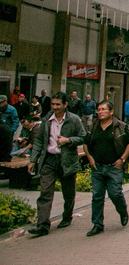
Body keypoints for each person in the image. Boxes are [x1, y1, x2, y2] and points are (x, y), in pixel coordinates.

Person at [27, 92, 87, 237]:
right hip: (49, 160)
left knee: (68, 193)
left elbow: (83, 137)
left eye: (58, 104)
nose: (55, 107)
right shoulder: (47, 119)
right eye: (53, 104)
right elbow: (40, 140)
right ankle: (42, 225)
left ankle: (67, 216)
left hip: (67, 160)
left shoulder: (74, 119)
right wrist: (33, 160)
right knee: (45, 192)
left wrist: (68, 140)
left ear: (65, 105)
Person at [83, 100, 129, 236]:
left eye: (103, 109)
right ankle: (97, 224)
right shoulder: (93, 126)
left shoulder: (121, 126)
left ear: (111, 112)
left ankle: (123, 211)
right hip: (97, 167)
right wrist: (90, 158)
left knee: (115, 193)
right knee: (97, 197)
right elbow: (85, 144)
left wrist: (122, 159)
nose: (100, 112)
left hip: (114, 167)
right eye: (98, 110)